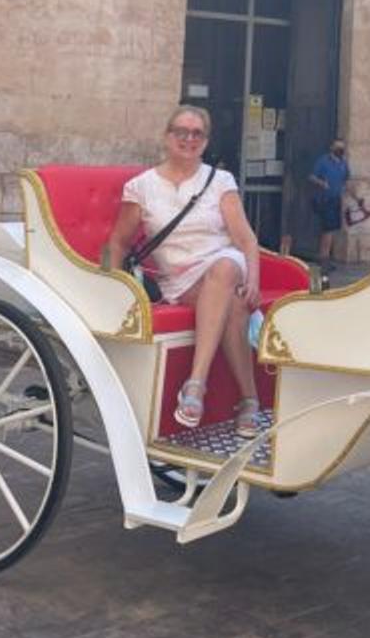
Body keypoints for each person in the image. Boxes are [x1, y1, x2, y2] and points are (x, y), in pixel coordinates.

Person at [100, 105, 261, 434]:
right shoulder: (141, 187)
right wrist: (115, 289)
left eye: (197, 134)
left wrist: (255, 279)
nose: (189, 139)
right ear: (167, 136)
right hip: (180, 280)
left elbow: (245, 238)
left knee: (226, 268)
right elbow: (119, 241)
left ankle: (196, 384)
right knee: (232, 307)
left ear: (205, 141)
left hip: (225, 263)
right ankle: (249, 400)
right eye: (181, 132)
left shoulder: (220, 181)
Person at [307, 137, 356, 278]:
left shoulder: (343, 164)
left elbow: (346, 183)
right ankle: (323, 260)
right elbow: (311, 177)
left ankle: (325, 258)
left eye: (342, 147)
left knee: (333, 229)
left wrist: (356, 198)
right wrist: (322, 183)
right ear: (332, 148)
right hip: (325, 200)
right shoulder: (323, 161)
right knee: (327, 230)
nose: (340, 150)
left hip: (336, 200)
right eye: (337, 147)